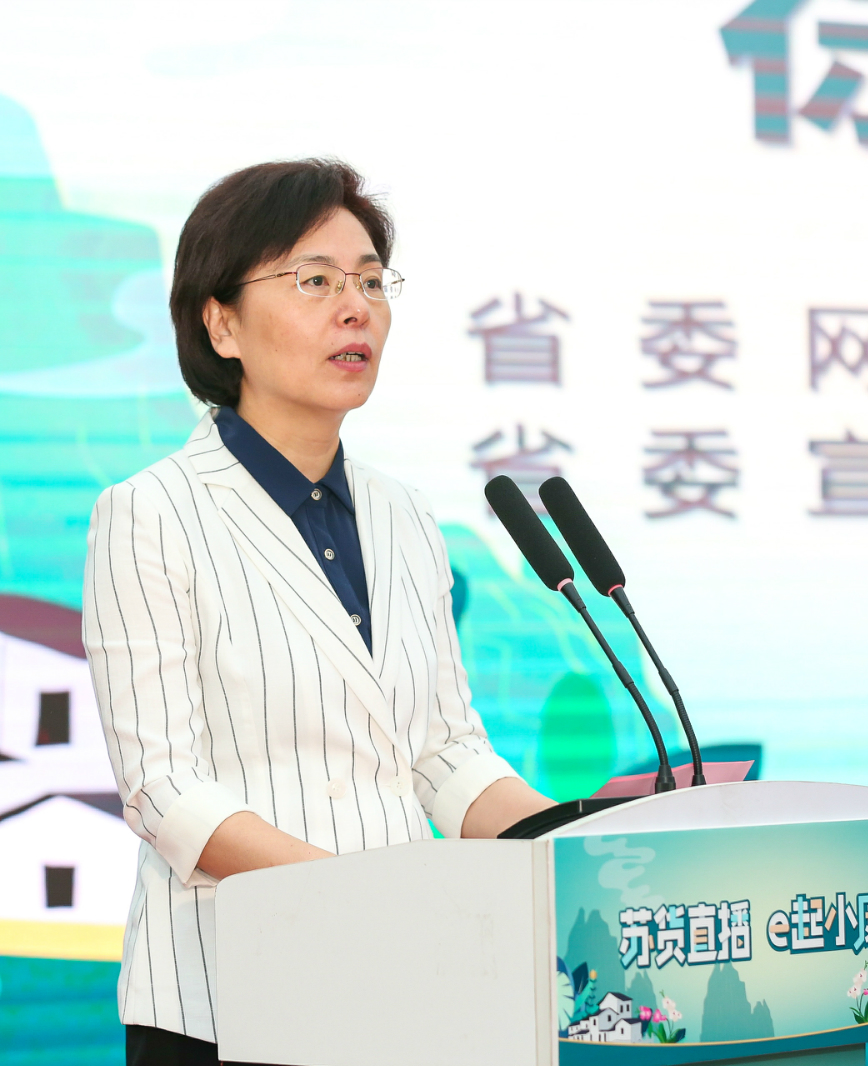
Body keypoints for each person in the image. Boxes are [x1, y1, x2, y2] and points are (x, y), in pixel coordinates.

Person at [82, 159, 555, 1066]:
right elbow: (163, 789)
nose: (356, 308)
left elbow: (444, 753)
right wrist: (359, 899)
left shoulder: (405, 515)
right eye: (315, 281)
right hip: (225, 1002)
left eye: (371, 282)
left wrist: (571, 848)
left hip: (408, 990)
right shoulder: (150, 513)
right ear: (222, 323)